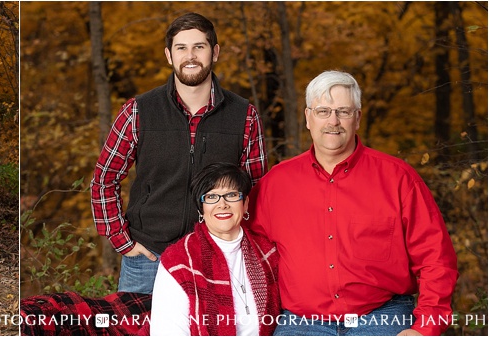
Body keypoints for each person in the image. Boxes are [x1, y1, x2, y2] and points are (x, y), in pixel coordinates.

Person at [249, 70, 458, 336]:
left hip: (382, 315)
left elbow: (436, 258)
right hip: (302, 321)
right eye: (323, 111)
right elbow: (244, 253)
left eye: (343, 112)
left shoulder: (398, 178)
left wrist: (424, 327)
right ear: (308, 118)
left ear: (357, 118)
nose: (333, 121)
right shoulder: (275, 184)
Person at [90, 12, 267, 294]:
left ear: (215, 52)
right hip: (148, 257)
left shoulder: (244, 114)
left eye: (199, 46)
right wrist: (122, 241)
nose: (191, 56)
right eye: (181, 48)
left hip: (218, 256)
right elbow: (104, 180)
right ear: (169, 56)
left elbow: (257, 189)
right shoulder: (139, 111)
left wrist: (244, 246)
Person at [146, 163, 278, 336]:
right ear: (201, 208)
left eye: (231, 195)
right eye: (211, 197)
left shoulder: (267, 252)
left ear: (245, 203)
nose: (222, 204)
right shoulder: (179, 261)